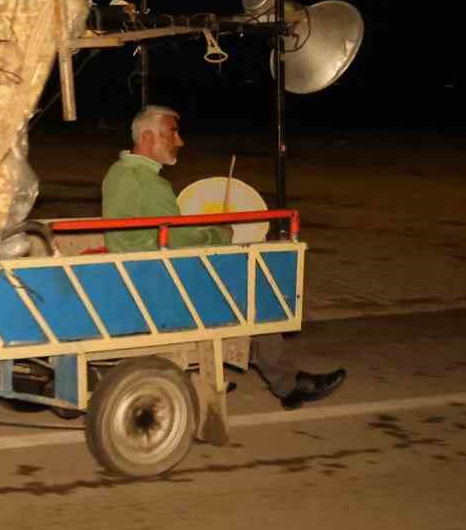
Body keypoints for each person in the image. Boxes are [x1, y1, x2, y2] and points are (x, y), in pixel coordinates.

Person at [101, 105, 346, 409]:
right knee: (252, 294)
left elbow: (164, 230)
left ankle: (218, 373)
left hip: (136, 271)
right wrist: (220, 233)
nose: (180, 141)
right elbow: (178, 236)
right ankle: (288, 384)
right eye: (173, 133)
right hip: (157, 280)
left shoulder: (118, 172)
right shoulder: (149, 183)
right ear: (149, 137)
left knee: (231, 285)